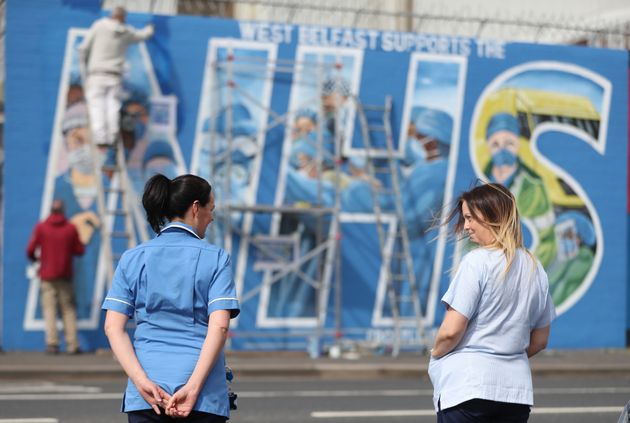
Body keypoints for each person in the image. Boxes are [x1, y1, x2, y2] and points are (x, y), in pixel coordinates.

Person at [102, 174, 240, 422]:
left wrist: (141, 382)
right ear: (196, 208)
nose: (212, 217)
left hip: (146, 395)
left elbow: (113, 327)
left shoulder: (132, 258)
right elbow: (219, 327)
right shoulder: (217, 258)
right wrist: (194, 387)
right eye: (211, 209)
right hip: (203, 397)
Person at [428, 183, 556, 422]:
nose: (466, 227)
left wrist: (436, 354)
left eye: (469, 218)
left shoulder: (476, 262)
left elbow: (451, 331)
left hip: (467, 389)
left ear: (490, 216)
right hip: (516, 394)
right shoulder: (535, 267)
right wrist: (506, 353)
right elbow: (540, 340)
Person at [483, 112, 556, 267]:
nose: (502, 150)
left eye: (509, 143)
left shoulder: (534, 187)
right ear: (488, 146)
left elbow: (547, 241)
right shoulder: (479, 183)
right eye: (495, 144)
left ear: (518, 145)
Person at [78, 6, 154, 149]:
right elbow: (142, 35)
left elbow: (83, 48)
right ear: (123, 17)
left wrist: (83, 61)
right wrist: (150, 28)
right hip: (114, 76)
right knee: (113, 106)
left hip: (97, 74)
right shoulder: (126, 31)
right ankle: (112, 136)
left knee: (97, 105)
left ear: (112, 14)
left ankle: (101, 138)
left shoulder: (99, 26)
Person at [26, 199, 85, 354]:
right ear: (63, 210)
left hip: (47, 276)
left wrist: (37, 260)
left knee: (49, 310)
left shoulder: (41, 227)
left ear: (51, 211)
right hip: (65, 275)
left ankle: (52, 344)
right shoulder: (71, 228)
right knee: (68, 309)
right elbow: (79, 250)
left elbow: (30, 250)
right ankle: (72, 345)